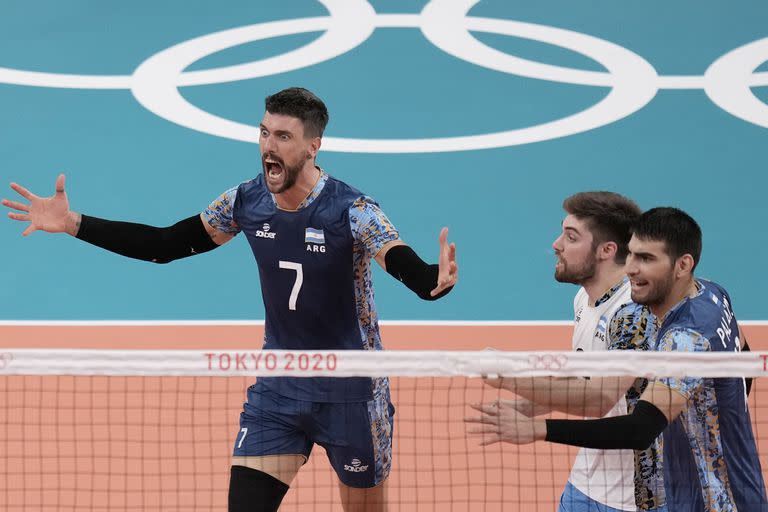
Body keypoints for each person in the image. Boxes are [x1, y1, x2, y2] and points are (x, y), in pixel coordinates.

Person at [2, 87, 458, 512]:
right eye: (264, 132)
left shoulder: (352, 210)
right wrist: (74, 223)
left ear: (312, 146)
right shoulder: (245, 202)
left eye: (283, 136)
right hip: (280, 387)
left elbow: (401, 262)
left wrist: (433, 280)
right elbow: (165, 244)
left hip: (352, 392)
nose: (268, 146)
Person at [468, 207, 766, 511]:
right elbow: (742, 361)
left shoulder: (686, 339)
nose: (631, 269)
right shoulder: (713, 293)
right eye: (633, 255)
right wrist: (712, 412)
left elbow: (640, 429)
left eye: (647, 259)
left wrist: (540, 429)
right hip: (696, 489)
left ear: (682, 265)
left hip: (718, 502)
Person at [484, 191, 667, 511]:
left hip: (634, 497)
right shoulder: (584, 300)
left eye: (571, 237)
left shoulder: (631, 313)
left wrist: (508, 377)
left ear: (606, 250)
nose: (556, 244)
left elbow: (600, 397)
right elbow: (582, 376)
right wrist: (528, 405)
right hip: (586, 481)